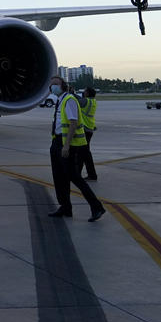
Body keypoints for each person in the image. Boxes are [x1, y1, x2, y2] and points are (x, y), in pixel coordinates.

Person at [48, 77, 106, 222]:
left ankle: (96, 206)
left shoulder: (69, 100)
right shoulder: (60, 100)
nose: (52, 86)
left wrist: (66, 145)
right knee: (59, 178)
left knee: (74, 177)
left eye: (55, 84)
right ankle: (65, 207)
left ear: (63, 86)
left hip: (66, 144)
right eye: (51, 84)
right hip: (56, 142)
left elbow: (73, 123)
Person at [77, 87, 98, 180]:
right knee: (84, 153)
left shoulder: (86, 101)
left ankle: (79, 174)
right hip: (90, 128)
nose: (83, 93)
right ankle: (90, 174)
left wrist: (71, 93)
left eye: (84, 91)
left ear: (88, 93)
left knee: (83, 153)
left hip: (84, 129)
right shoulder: (93, 101)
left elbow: (77, 101)